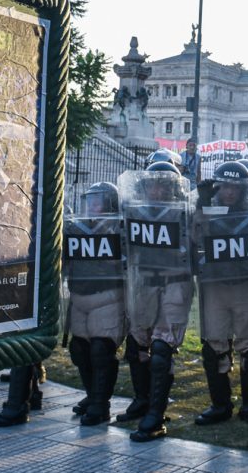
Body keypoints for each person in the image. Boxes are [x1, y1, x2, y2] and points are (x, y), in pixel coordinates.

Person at [119, 160, 196, 442]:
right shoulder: (134, 211)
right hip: (144, 283)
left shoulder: (186, 213)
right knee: (138, 343)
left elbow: (200, 243)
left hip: (175, 282)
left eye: (164, 185)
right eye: (153, 184)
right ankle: (142, 400)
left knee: (162, 349)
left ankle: (155, 414)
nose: (157, 190)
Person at [192, 161, 248, 425]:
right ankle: (220, 404)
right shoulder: (208, 210)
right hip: (215, 286)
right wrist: (202, 205)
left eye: (235, 187)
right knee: (214, 344)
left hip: (245, 285)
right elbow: (195, 237)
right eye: (224, 186)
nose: (229, 192)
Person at [62, 182, 126, 426]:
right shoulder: (76, 228)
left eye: (98, 201)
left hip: (108, 297)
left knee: (101, 350)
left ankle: (101, 404)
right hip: (79, 296)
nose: (92, 206)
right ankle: (92, 396)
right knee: (80, 350)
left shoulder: (120, 228)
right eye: (90, 201)